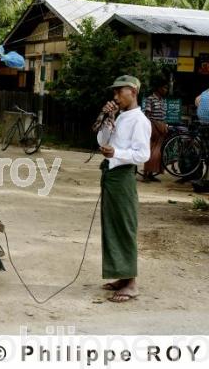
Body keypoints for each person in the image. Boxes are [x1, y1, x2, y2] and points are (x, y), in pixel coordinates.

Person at [96, 75, 151, 303]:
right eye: (115, 92)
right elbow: (101, 140)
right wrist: (107, 118)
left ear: (133, 91)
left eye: (120, 91)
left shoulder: (139, 120)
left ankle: (132, 283)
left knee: (125, 226)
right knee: (111, 226)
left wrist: (117, 154)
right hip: (110, 175)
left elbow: (143, 155)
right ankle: (121, 274)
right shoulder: (120, 116)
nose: (116, 96)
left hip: (123, 178)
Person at [142, 77, 169, 182]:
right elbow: (147, 114)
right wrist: (147, 127)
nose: (165, 90)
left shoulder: (163, 100)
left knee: (157, 153)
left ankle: (151, 174)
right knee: (150, 151)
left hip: (161, 127)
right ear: (159, 88)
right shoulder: (150, 99)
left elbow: (163, 116)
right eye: (164, 88)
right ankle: (145, 174)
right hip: (152, 127)